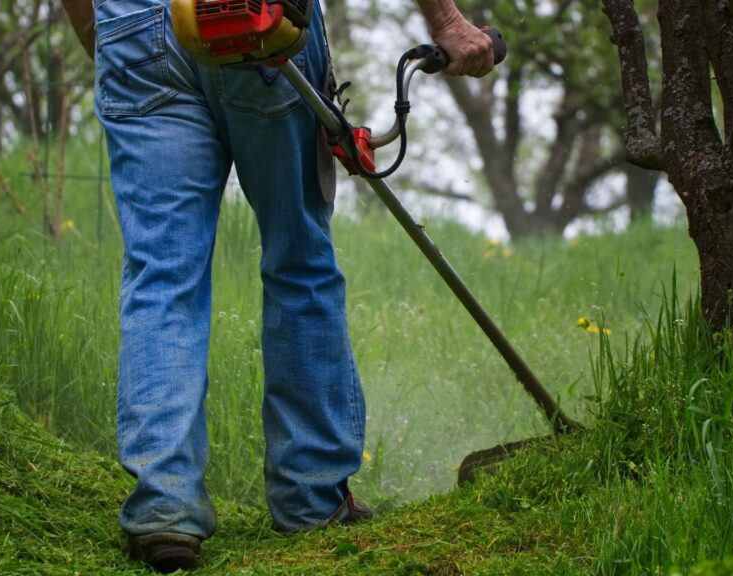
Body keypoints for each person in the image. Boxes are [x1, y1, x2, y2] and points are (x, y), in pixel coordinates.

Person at [60, 0, 494, 571]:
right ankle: (310, 497)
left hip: (134, 22)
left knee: (161, 272)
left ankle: (163, 508)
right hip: (247, 18)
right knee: (298, 258)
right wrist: (446, 23)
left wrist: (109, 31)